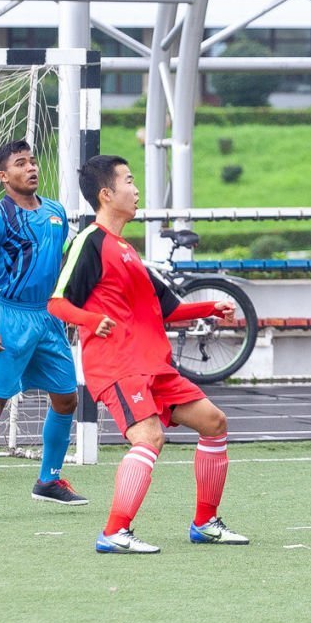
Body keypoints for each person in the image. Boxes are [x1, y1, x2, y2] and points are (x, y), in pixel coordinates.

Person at [49, 155, 248, 554]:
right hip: (117, 365)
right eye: (128, 180)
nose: (136, 189)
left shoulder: (127, 250)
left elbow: (168, 308)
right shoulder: (90, 241)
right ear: (106, 194)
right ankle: (114, 532)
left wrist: (210, 308)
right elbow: (57, 303)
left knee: (214, 422)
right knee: (149, 437)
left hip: (152, 365)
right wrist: (91, 319)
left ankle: (205, 524)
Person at [0, 141, 85, 519]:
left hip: (48, 318)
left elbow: (61, 266)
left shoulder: (56, 212)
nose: (31, 168)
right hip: (10, 318)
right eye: (20, 163)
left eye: (32, 161)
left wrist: (70, 308)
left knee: (66, 399)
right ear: (3, 176)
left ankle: (48, 480)